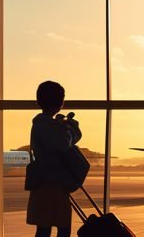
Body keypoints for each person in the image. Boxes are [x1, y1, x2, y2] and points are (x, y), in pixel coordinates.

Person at [27, 81, 87, 237]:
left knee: (43, 228)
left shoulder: (39, 124)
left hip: (43, 183)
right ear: (61, 102)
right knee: (63, 227)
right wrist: (71, 128)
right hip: (54, 184)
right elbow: (62, 144)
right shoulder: (48, 125)